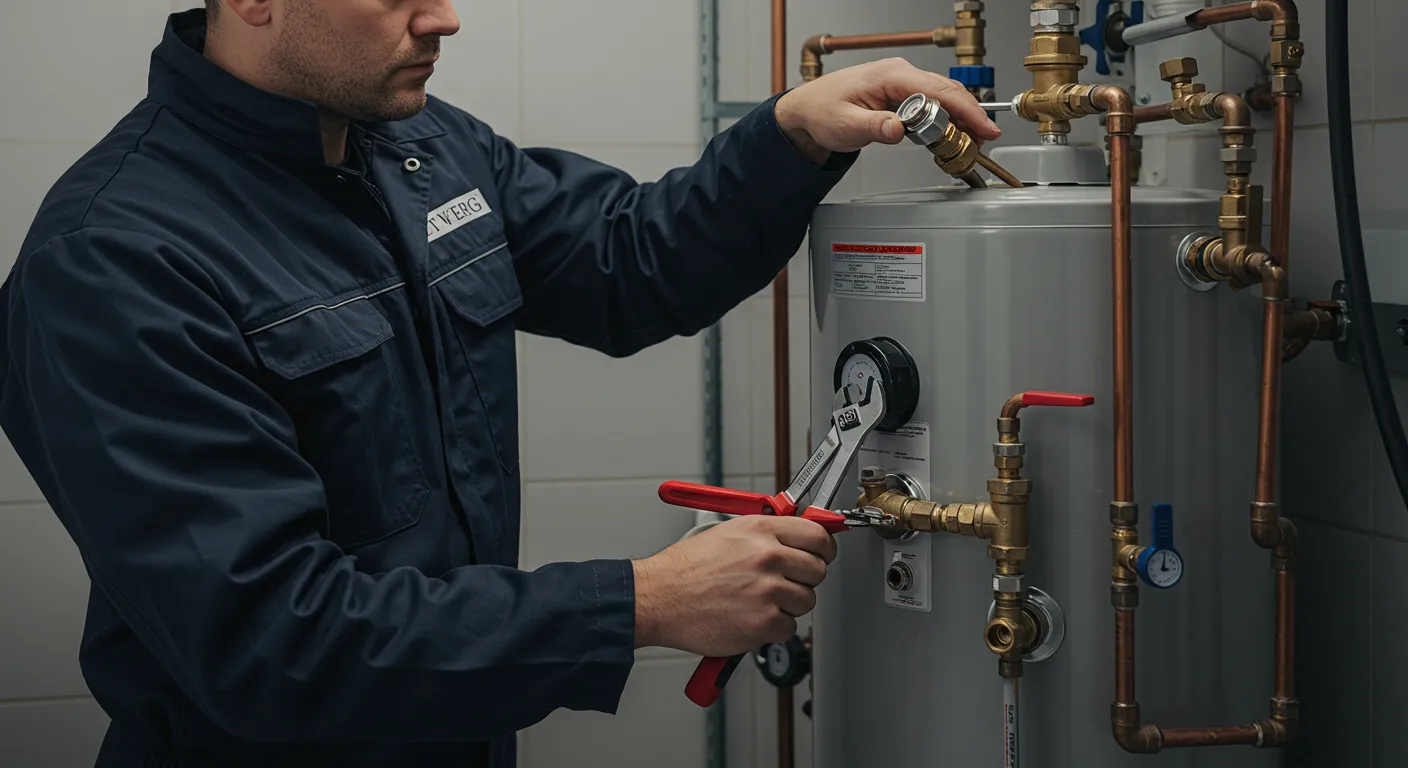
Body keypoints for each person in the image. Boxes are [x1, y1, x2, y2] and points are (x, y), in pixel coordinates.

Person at [0, 2, 998, 766]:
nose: (443, 17)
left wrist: (791, 133)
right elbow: (269, 643)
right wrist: (638, 603)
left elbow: (628, 265)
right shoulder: (116, 258)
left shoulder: (418, 148)